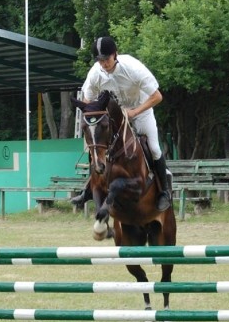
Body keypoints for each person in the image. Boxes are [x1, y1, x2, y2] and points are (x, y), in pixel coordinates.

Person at [71, 36, 172, 212]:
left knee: (155, 148)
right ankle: (89, 188)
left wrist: (134, 112)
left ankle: (164, 192)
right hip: (116, 117)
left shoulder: (133, 68)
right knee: (97, 144)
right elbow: (88, 100)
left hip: (141, 112)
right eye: (100, 60)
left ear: (115, 55)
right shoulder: (96, 73)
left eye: (106, 59)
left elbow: (157, 96)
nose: (103, 64)